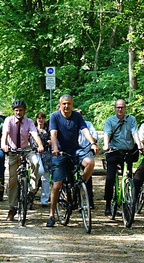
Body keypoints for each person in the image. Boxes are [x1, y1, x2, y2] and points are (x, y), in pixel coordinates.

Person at [46, 94, 99, 227]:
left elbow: (85, 130)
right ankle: (52, 214)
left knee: (90, 162)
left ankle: (80, 184)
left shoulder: (77, 116)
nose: (66, 106)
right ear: (60, 104)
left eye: (69, 103)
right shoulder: (55, 116)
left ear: (72, 104)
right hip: (60, 152)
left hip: (75, 150)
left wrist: (92, 142)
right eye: (64, 103)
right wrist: (55, 147)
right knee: (57, 186)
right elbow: (53, 134)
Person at [1, 100, 44, 221]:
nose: (18, 112)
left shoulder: (29, 121)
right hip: (13, 151)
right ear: (13, 111)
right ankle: (12, 208)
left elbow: (35, 134)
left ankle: (31, 189)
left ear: (24, 111)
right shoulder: (8, 120)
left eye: (21, 110)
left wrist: (40, 145)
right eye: (16, 110)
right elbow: (5, 133)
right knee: (13, 180)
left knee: (36, 163)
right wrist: (4, 145)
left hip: (27, 149)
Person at [102, 99, 144, 216]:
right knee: (110, 178)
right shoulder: (110, 120)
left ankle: (127, 202)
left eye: (122, 107)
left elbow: (134, 133)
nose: (120, 109)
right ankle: (108, 204)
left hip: (128, 152)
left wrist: (140, 145)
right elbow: (107, 133)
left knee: (128, 176)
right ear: (115, 108)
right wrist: (106, 145)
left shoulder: (131, 119)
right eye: (118, 107)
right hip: (113, 151)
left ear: (125, 108)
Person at [74, 108, 98, 209]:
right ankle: (75, 200)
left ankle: (90, 201)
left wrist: (92, 143)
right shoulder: (72, 125)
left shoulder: (88, 124)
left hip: (86, 153)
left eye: (80, 114)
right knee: (73, 176)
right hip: (74, 153)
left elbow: (94, 136)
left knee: (88, 178)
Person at [29, 111, 52, 207]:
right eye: (39, 118)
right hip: (36, 153)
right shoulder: (32, 129)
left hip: (47, 154)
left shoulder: (48, 129)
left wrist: (50, 141)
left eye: (42, 118)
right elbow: (30, 141)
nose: (40, 120)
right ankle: (31, 193)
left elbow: (53, 137)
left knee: (46, 178)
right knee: (39, 173)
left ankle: (44, 200)